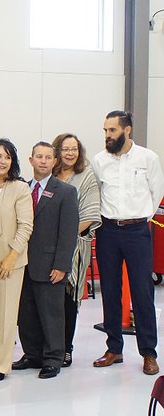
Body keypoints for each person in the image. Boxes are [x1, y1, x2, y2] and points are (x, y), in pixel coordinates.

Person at [91, 110, 164, 375]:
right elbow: (95, 193)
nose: (107, 136)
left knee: (142, 291)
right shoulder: (99, 161)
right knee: (109, 291)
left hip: (137, 232)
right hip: (108, 230)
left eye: (112, 130)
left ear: (127, 130)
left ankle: (148, 353)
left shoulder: (148, 158)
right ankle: (114, 348)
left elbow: (157, 191)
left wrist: (141, 216)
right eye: (105, 131)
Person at [12, 142, 78, 379]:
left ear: (54, 162)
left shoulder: (65, 192)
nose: (43, 161)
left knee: (51, 314)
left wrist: (62, 265)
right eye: (38, 156)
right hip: (22, 262)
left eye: (47, 157)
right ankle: (32, 354)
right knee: (26, 313)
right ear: (30, 160)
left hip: (50, 264)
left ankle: (52, 358)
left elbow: (69, 232)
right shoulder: (21, 189)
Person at [0, 139, 34, 381]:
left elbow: (26, 226)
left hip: (10, 257)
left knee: (5, 312)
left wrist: (12, 256)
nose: (2, 161)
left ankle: (1, 363)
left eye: (7, 157)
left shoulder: (20, 188)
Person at [51, 133, 101, 367]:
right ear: (57, 151)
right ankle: (49, 347)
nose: (70, 153)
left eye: (74, 149)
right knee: (49, 299)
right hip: (48, 247)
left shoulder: (87, 175)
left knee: (68, 298)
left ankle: (66, 348)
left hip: (74, 247)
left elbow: (90, 214)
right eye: (65, 149)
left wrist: (63, 237)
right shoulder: (50, 173)